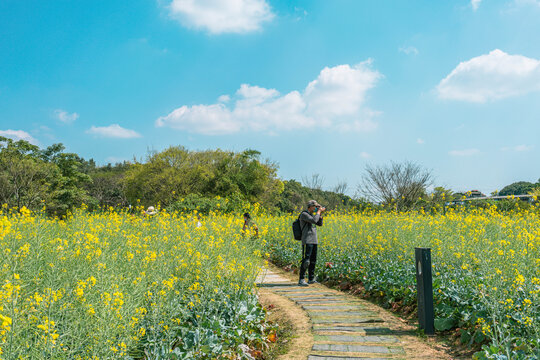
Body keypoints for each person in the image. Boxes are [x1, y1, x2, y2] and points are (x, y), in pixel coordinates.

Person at [298, 200, 325, 286]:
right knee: (306, 260)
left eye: (317, 207)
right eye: (315, 207)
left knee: (313, 260)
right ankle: (301, 279)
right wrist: (319, 212)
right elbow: (314, 221)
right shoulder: (304, 214)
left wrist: (320, 214)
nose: (316, 208)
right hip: (307, 240)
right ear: (310, 206)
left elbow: (319, 224)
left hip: (314, 240)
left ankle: (311, 278)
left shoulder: (313, 215)